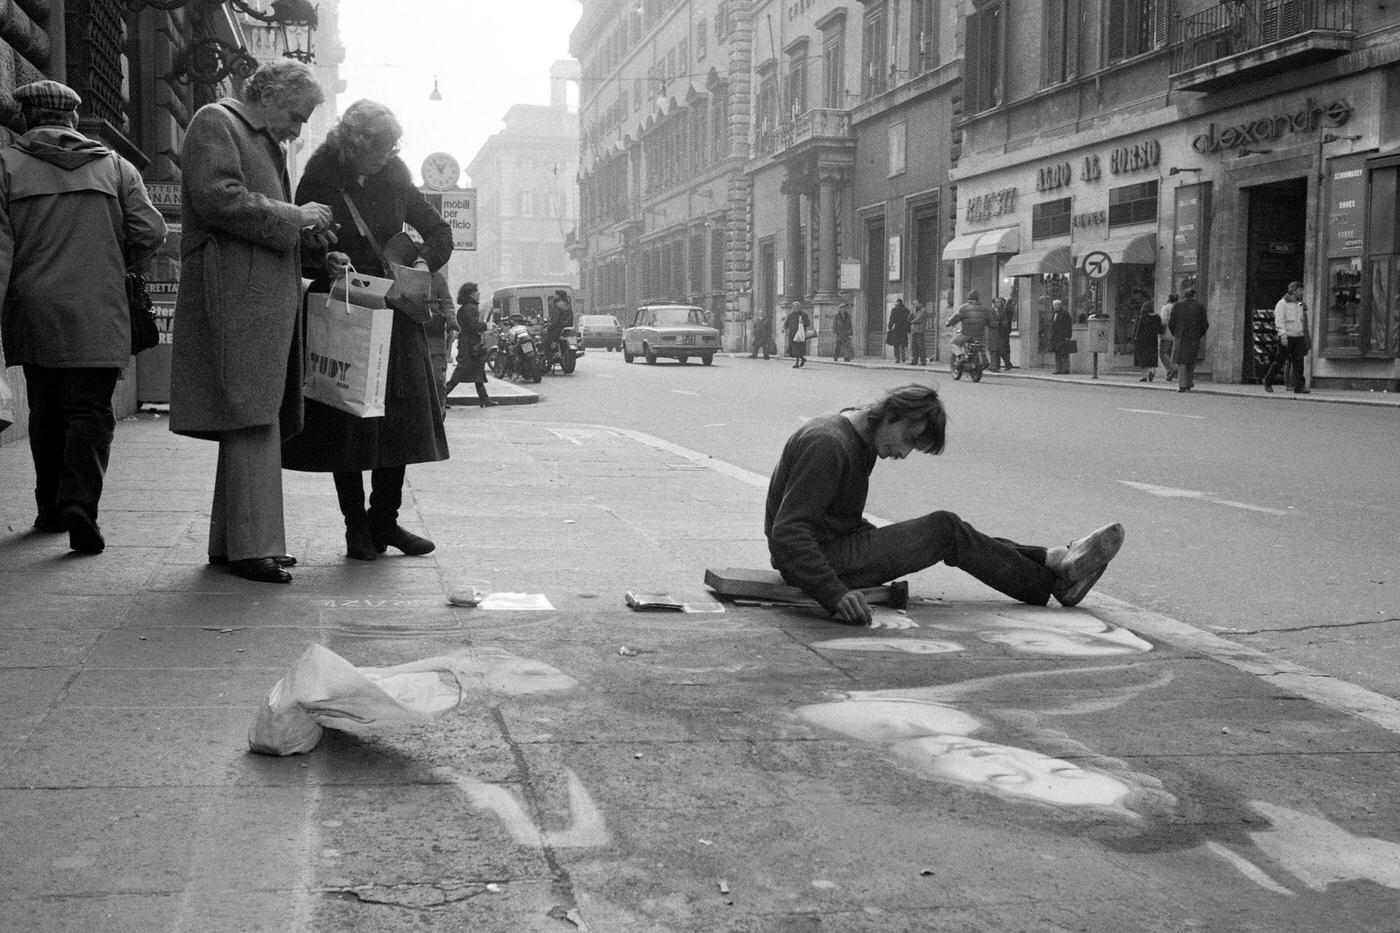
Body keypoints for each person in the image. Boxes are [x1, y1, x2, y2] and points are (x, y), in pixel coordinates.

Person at [764, 383, 1125, 626]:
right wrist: (834, 594)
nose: (903, 453)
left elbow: (833, 519)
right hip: (818, 561)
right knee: (943, 530)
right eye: (907, 439)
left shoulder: (859, 439)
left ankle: (1051, 559)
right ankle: (1050, 574)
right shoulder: (829, 445)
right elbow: (787, 536)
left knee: (948, 534)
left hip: (835, 547)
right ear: (891, 413)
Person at [169, 60, 335, 584]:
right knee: (250, 414)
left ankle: (235, 542)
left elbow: (251, 212)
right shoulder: (216, 122)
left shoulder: (256, 137)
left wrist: (309, 243)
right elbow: (218, 198)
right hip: (238, 297)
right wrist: (296, 216)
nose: (298, 127)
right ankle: (252, 547)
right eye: (296, 113)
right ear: (267, 94)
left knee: (253, 414)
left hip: (256, 296)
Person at [281, 99, 452, 562]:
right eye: (378, 149)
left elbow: (439, 232)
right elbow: (297, 243)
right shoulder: (317, 179)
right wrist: (324, 258)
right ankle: (356, 527)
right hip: (345, 309)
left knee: (397, 420)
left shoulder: (395, 175)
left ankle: (385, 521)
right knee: (347, 420)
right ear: (354, 143)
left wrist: (419, 262)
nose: (385, 156)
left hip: (395, 310)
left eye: (391, 148)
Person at [0, 80, 167, 553]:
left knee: (47, 408)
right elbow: (149, 230)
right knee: (90, 410)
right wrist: (118, 261)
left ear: (27, 118)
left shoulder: (6, 166)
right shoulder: (116, 167)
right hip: (101, 309)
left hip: (35, 310)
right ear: (72, 120)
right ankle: (79, 502)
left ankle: (50, 505)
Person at [444, 281, 496, 408]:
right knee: (460, 373)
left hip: (469, 345)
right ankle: (441, 397)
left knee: (477, 373)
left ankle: (484, 399)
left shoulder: (467, 308)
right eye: (476, 292)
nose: (478, 294)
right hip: (469, 346)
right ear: (470, 294)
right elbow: (473, 326)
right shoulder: (470, 308)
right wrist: (486, 325)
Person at [1263, 280, 1311, 394]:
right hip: (1287, 336)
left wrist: (1304, 335)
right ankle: (1268, 381)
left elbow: (1302, 321)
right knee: (1280, 361)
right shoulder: (1282, 303)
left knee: (1299, 362)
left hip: (1298, 336)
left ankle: (1299, 386)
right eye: (1299, 290)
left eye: (1302, 290)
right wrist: (1282, 335)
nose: (1302, 293)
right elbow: (1279, 320)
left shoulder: (1300, 304)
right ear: (1292, 291)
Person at [1169, 288, 1209, 392]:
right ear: (1194, 296)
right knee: (1191, 361)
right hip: (1194, 337)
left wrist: (1175, 334)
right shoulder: (1199, 306)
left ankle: (1182, 384)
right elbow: (1205, 324)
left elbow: (1171, 323)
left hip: (1180, 336)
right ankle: (1189, 383)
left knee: (1181, 361)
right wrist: (1200, 334)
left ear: (1184, 296)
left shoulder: (1177, 306)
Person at [946, 289, 991, 369]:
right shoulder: (984, 308)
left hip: (967, 333)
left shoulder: (964, 308)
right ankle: (984, 359)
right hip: (980, 334)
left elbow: (956, 317)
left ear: (968, 298)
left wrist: (949, 323)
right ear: (978, 299)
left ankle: (961, 356)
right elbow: (989, 320)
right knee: (982, 346)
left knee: (954, 342)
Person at [1132, 295, 1162, 382]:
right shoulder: (1157, 317)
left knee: (1142, 357)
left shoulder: (1141, 317)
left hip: (1141, 340)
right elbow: (1160, 329)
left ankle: (1144, 375)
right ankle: (1151, 371)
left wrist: (1133, 338)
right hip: (1153, 340)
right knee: (1152, 356)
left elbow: (1136, 329)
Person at [545, 289, 573, 359]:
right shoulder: (568, 305)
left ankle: (550, 353)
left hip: (559, 328)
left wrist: (549, 327)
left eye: (556, 295)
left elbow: (555, 320)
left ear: (559, 296)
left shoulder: (557, 305)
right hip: (568, 328)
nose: (555, 297)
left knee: (546, 340)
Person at [785, 299, 812, 368]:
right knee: (793, 350)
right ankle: (802, 359)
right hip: (792, 334)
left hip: (800, 334)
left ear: (799, 307)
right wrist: (784, 327)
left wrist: (803, 322)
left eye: (796, 306)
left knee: (798, 349)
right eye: (793, 306)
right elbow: (787, 323)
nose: (794, 308)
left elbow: (808, 323)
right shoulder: (790, 315)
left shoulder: (803, 315)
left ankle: (797, 363)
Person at [1158, 292, 1179, 381]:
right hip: (1176, 333)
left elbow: (1163, 321)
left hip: (1166, 333)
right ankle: (1169, 373)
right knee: (1170, 354)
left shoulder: (1166, 307)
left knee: (1163, 353)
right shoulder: (1178, 307)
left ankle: (1172, 368)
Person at [1049, 299, 1073, 374]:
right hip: (1055, 337)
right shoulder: (1053, 314)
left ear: (1060, 305)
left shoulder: (1065, 314)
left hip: (1063, 336)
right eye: (1054, 305)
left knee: (1064, 353)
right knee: (1057, 353)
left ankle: (1065, 369)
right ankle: (1058, 369)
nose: (1055, 307)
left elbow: (1068, 326)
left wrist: (1068, 336)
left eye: (1057, 305)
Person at [886, 297, 911, 363]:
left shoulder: (894, 310)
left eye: (896, 302)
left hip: (897, 328)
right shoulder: (906, 310)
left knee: (896, 344)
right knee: (903, 344)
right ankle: (903, 357)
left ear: (897, 303)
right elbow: (908, 320)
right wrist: (908, 329)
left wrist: (890, 327)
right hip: (904, 329)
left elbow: (892, 320)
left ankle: (897, 359)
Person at [909, 300, 932, 367]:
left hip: (920, 331)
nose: (915, 305)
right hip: (914, 330)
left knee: (921, 347)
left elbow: (919, 319)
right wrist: (911, 312)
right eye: (913, 304)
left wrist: (912, 322)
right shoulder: (914, 310)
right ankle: (914, 360)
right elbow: (909, 318)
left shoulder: (923, 310)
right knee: (914, 347)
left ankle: (923, 361)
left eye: (916, 304)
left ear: (919, 303)